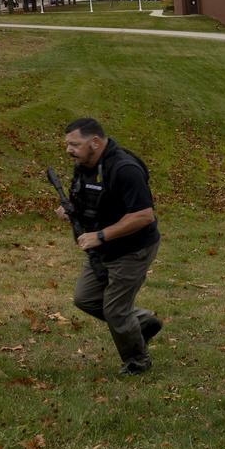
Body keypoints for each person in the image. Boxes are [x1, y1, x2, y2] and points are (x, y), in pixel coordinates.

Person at [58, 118, 162, 375]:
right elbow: (89, 199)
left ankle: (138, 361)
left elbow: (143, 216)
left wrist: (101, 235)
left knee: (115, 310)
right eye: (67, 144)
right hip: (102, 249)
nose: (69, 150)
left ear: (95, 142)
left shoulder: (125, 169)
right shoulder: (84, 164)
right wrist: (72, 211)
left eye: (75, 144)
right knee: (85, 299)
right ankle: (143, 322)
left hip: (132, 249)